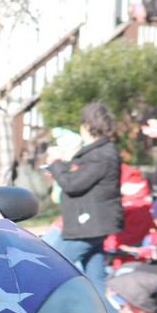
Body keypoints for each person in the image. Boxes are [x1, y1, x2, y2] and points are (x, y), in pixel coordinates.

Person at [46, 102, 124, 298]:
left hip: (88, 225)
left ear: (88, 127)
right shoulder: (100, 151)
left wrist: (55, 164)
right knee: (95, 283)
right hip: (94, 224)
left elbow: (73, 184)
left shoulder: (100, 155)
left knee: (52, 267)